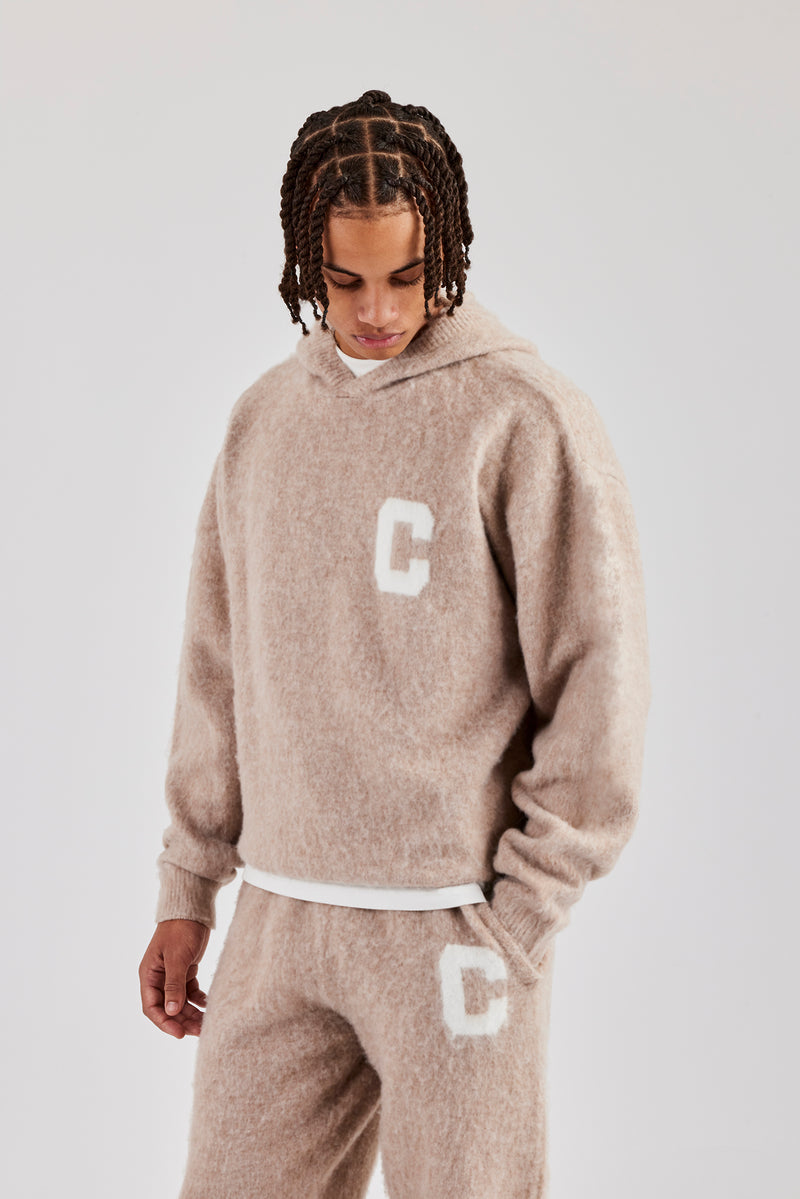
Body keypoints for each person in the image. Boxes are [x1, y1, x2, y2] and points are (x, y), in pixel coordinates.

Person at [138, 88, 652, 1199]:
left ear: (446, 249)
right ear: (304, 266)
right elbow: (215, 663)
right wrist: (188, 884)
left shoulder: (520, 415)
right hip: (278, 919)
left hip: (452, 929)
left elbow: (598, 675)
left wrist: (520, 914)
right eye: (346, 281)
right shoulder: (264, 421)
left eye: (406, 277)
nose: (376, 310)